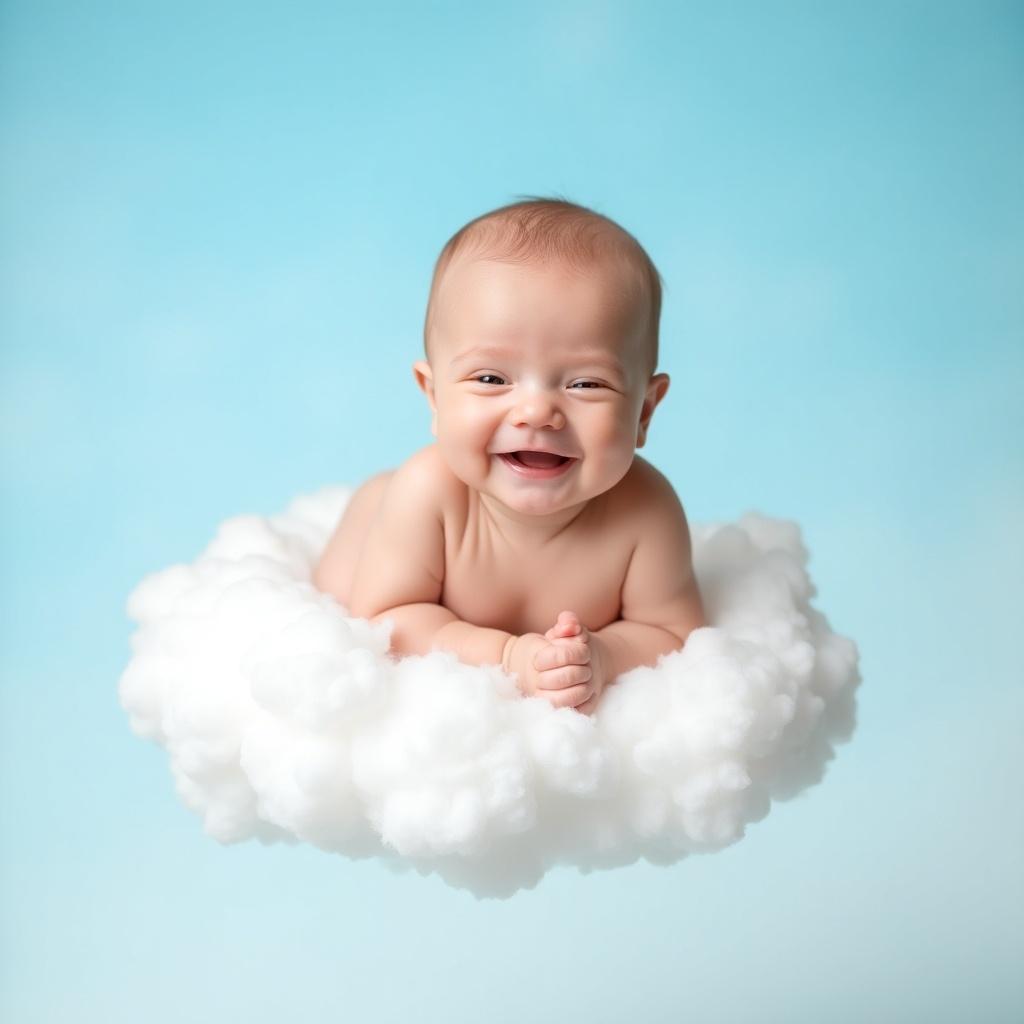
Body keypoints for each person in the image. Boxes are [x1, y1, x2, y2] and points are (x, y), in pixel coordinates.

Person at [314, 196, 706, 715]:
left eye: (586, 383)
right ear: (433, 397)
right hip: (379, 537)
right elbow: (388, 622)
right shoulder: (429, 494)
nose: (537, 412)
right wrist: (508, 655)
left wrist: (606, 656)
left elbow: (675, 633)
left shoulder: (647, 512)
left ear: (644, 413)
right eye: (492, 378)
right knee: (336, 593)